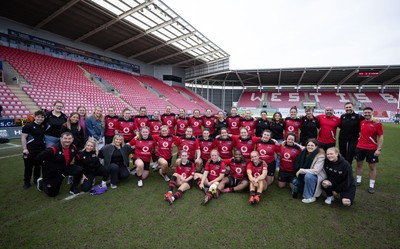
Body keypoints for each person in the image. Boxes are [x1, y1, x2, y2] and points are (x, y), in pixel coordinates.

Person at [36, 132, 83, 197]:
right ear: (61, 139)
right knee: (53, 194)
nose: (67, 140)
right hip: (53, 173)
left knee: (79, 169)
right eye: (65, 138)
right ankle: (42, 182)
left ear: (72, 139)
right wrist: (46, 168)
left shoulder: (73, 147)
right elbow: (38, 158)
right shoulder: (53, 149)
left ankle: (73, 188)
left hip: (65, 169)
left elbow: (78, 156)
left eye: (69, 138)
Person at [355, 107, 384, 194]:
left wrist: (379, 149)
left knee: (372, 167)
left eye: (368, 112)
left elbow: (381, 137)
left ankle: (371, 186)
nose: (367, 114)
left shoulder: (377, 123)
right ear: (363, 113)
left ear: (372, 112)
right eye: (365, 112)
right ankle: (358, 181)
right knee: (359, 165)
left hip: (371, 149)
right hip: (360, 147)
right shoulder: (362, 122)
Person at [294, 139, 326, 203]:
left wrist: (301, 170)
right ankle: (303, 189)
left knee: (308, 176)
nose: (310, 147)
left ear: (316, 146)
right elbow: (300, 146)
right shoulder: (305, 151)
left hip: (316, 176)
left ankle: (309, 196)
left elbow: (316, 171)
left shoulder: (320, 156)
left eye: (312, 145)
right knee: (294, 181)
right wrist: (290, 142)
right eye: (308, 145)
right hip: (306, 173)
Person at [21, 110, 46, 189]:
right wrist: (25, 149)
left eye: (42, 117)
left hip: (40, 150)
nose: (40, 119)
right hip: (30, 150)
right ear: (34, 117)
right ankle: (26, 182)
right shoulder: (28, 126)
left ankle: (36, 180)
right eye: (38, 117)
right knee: (28, 167)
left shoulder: (43, 126)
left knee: (38, 166)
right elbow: (23, 137)